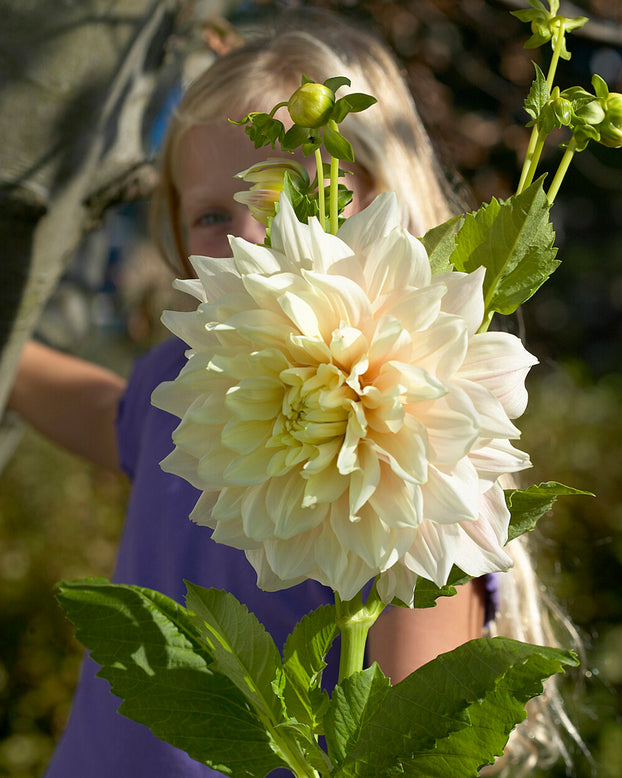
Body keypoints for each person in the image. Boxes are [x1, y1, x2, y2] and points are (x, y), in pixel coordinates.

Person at [7, 9, 581, 777]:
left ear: (384, 204)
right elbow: (113, 420)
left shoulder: (434, 450)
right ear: (176, 240)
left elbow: (412, 738)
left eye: (285, 197)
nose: (248, 238)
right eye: (212, 214)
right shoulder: (188, 374)